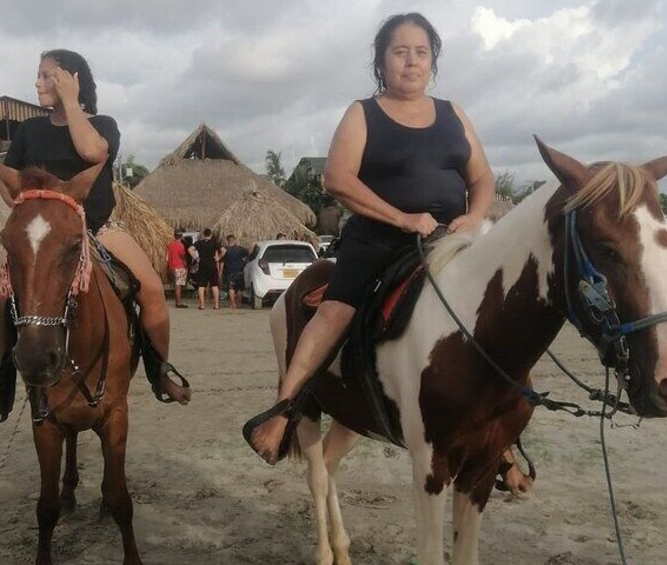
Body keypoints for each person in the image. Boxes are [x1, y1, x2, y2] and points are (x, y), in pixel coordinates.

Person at [243, 12, 495, 464]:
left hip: (450, 242)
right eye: (400, 51)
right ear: (382, 60)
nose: (411, 62)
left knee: (500, 308)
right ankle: (282, 411)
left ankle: (502, 427)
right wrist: (401, 218)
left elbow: (483, 178)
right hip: (378, 241)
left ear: (432, 59)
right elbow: (337, 178)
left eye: (421, 52)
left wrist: (475, 217)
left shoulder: (454, 113)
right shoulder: (364, 113)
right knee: (336, 311)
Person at [0, 49, 189, 431]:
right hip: (43, 240)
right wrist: (24, 203)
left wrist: (72, 103)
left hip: (99, 227)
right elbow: (9, 187)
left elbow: (94, 152)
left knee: (152, 290)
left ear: (71, 79)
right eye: (37, 76)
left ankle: (160, 372)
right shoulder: (28, 132)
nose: (37, 83)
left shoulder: (103, 124)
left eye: (46, 76)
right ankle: (0, 391)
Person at [193, 228, 220, 310]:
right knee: (214, 285)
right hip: (212, 266)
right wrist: (218, 258)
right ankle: (216, 305)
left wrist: (196, 258)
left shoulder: (199, 243)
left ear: (203, 235)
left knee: (201, 286)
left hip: (203, 266)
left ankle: (202, 305)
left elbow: (190, 249)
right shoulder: (214, 243)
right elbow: (223, 250)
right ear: (211, 235)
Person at [223, 234, 248, 309]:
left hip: (229, 271)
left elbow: (222, 262)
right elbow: (247, 255)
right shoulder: (241, 249)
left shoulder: (226, 250)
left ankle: (233, 304)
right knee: (240, 289)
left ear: (228, 241)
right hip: (239, 270)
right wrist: (244, 263)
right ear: (234, 240)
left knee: (231, 288)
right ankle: (239, 303)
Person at [167, 229, 188, 308]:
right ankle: (178, 303)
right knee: (178, 286)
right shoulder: (180, 245)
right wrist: (185, 264)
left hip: (172, 266)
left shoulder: (170, 244)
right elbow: (182, 256)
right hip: (179, 266)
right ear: (181, 236)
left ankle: (177, 301)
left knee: (176, 285)